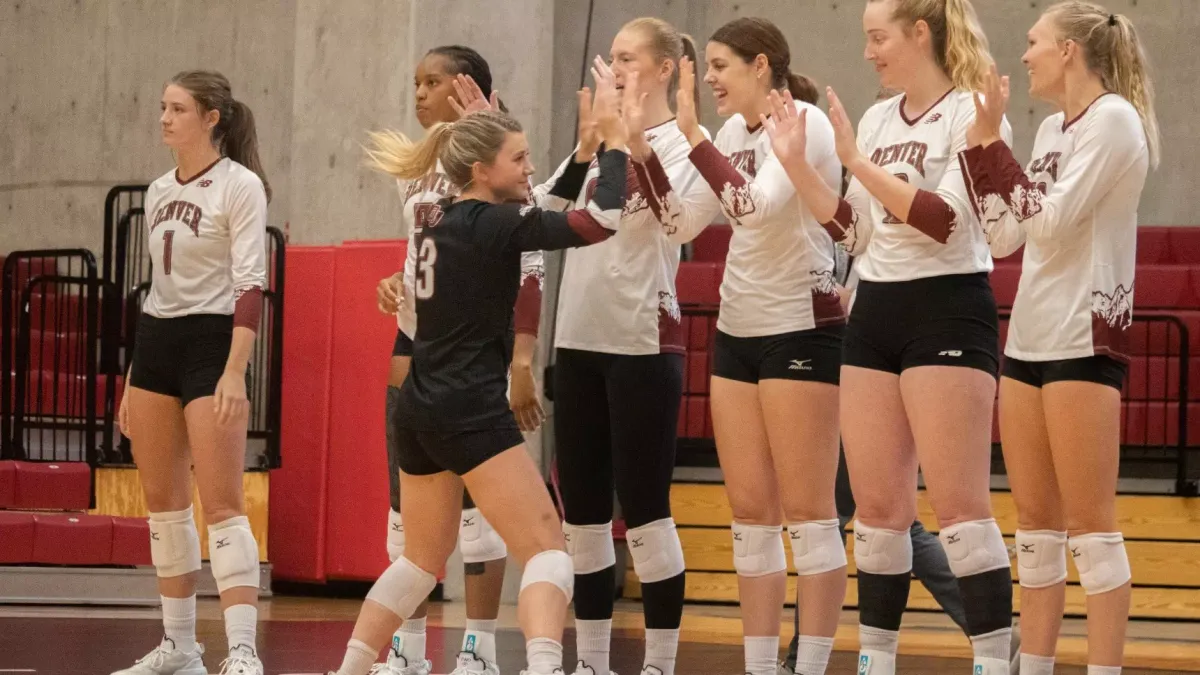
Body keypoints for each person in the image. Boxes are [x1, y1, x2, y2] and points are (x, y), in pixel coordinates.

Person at [323, 76, 633, 675]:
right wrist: (616, 146)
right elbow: (599, 221)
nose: (529, 166)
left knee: (419, 560)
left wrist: (585, 153)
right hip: (468, 406)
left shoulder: (434, 215)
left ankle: (351, 669)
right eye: (518, 158)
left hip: (419, 405)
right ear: (483, 170)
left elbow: (536, 204)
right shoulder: (497, 226)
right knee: (547, 549)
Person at [764, 1, 1015, 672]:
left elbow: (949, 224)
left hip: (948, 306)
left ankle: (995, 660)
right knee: (878, 515)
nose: (869, 51)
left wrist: (855, 160)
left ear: (920, 33)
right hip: (875, 309)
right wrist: (802, 169)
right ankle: (877, 660)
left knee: (960, 509)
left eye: (878, 36)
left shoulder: (972, 110)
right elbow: (860, 233)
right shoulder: (877, 118)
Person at [958, 3, 1158, 674]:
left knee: (1093, 535)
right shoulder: (1049, 129)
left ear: (1070, 51)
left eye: (1035, 41)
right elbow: (1005, 234)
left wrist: (992, 145)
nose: (1026, 54)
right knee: (1037, 540)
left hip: (1085, 338)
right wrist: (979, 146)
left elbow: (1050, 221)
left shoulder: (1115, 121)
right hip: (1030, 341)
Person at [644, 16, 846, 675]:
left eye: (721, 65)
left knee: (810, 515)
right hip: (738, 330)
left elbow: (755, 205)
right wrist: (642, 153)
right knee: (751, 513)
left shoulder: (806, 123)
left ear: (762, 66)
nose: (709, 78)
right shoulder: (732, 132)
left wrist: (695, 138)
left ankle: (810, 663)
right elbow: (681, 222)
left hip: (800, 327)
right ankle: (760, 665)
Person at [544, 17, 715, 675]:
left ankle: (660, 663)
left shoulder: (681, 142)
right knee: (582, 519)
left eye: (628, 57)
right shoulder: (599, 146)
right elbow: (548, 214)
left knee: (645, 514)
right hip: (578, 340)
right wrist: (590, 149)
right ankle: (589, 661)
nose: (614, 68)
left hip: (642, 341)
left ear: (666, 68)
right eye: (610, 57)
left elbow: (680, 226)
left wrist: (633, 146)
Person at [372, 45, 544, 675]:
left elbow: (530, 260)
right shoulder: (413, 170)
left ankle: (478, 647)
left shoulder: (495, 166)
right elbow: (428, 254)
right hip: (416, 341)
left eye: (432, 81)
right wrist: (397, 278)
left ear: (466, 88)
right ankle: (406, 649)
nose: (418, 92)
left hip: (474, 348)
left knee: (480, 515)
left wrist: (523, 358)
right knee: (404, 506)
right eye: (414, 81)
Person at [112, 70, 271, 675]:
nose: (164, 118)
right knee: (165, 508)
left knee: (224, 505)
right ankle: (179, 647)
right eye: (162, 108)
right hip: (158, 341)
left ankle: (242, 651)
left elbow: (252, 285)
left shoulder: (241, 185)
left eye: (177, 108)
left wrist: (235, 371)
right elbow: (156, 289)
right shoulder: (154, 191)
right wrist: (132, 377)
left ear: (211, 118)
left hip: (214, 340)